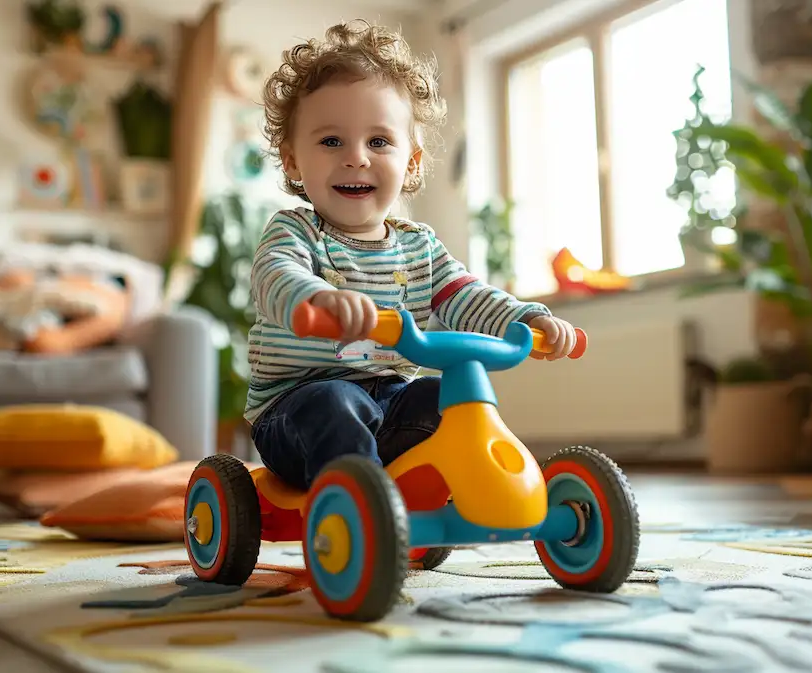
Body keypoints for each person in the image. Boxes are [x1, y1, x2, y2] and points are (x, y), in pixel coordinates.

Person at [246, 19, 577, 491]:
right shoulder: (296, 231)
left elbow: (466, 296)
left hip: (390, 401)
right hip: (297, 408)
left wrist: (526, 320)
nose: (356, 157)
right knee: (337, 404)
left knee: (450, 400)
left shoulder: (419, 246)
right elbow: (274, 275)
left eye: (378, 141)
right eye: (331, 141)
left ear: (412, 161)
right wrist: (317, 299)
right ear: (294, 159)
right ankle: (361, 507)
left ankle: (463, 495)